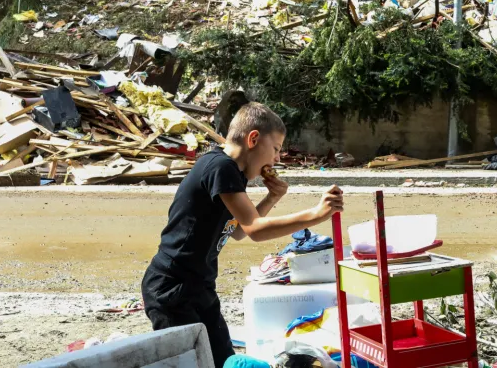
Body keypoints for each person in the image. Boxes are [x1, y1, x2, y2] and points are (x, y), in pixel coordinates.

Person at [141, 103, 344, 368]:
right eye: (276, 149)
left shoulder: (233, 172)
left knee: (225, 361)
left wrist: (272, 197)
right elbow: (254, 229)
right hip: (172, 287)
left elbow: (237, 231)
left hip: (199, 286)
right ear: (253, 139)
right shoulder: (221, 167)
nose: (277, 159)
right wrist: (317, 214)